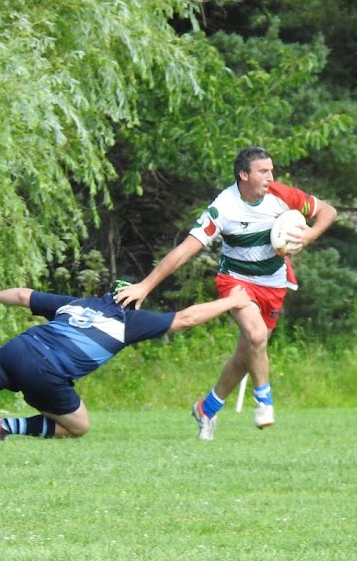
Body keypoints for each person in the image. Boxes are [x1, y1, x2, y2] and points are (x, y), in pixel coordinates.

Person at [0, 281, 251, 441]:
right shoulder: (131, 321)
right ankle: (10, 427)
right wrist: (232, 300)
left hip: (18, 349)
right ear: (130, 300)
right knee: (79, 427)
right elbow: (187, 317)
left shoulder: (76, 304)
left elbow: (22, 295)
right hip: (48, 372)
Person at [114, 146, 336, 440]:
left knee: (247, 354)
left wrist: (309, 234)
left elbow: (328, 211)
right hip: (236, 281)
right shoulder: (224, 208)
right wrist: (145, 285)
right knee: (256, 337)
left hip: (273, 283)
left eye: (271, 170)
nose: (271, 176)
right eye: (263, 171)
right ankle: (264, 402)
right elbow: (184, 251)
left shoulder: (283, 195)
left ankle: (206, 409)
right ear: (244, 175)